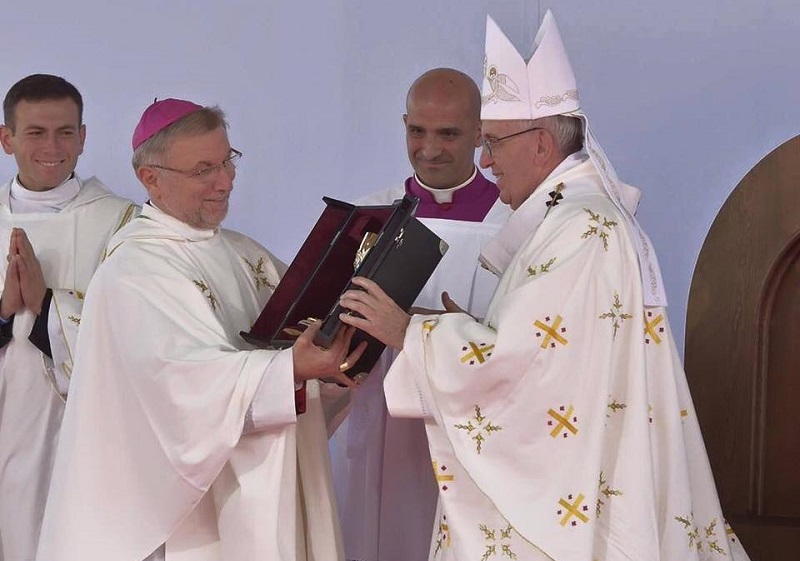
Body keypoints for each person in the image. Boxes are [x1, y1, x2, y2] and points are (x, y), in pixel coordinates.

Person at [339, 12, 752, 561]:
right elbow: (547, 350)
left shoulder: (579, 227)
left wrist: (410, 332)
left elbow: (522, 369)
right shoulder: (572, 216)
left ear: (539, 143)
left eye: (493, 144)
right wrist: (461, 329)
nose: (485, 162)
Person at [36, 98, 363, 561]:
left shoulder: (243, 252)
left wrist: (337, 361)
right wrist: (288, 369)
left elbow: (305, 333)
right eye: (204, 169)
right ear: (151, 178)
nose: (225, 181)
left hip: (268, 485)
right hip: (193, 517)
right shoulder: (134, 271)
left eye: (228, 161)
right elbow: (180, 388)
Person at [330, 67, 510, 561]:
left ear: (479, 133)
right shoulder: (368, 214)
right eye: (417, 131)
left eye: (449, 134)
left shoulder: (515, 220)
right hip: (383, 422)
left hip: (473, 428)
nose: (429, 149)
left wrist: (425, 326)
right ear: (404, 123)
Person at [0, 73, 136, 561]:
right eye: (35, 132)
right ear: (6, 138)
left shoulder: (124, 223)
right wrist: (3, 316)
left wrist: (47, 308)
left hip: (84, 424)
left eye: (66, 132)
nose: (52, 146)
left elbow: (136, 327)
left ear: (83, 137)